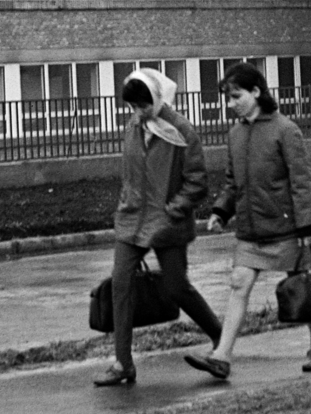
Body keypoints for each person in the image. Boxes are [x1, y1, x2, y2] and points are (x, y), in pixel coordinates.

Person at [186, 62, 311, 380]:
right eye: (228, 98)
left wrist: (307, 227)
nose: (230, 104)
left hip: (289, 228)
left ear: (256, 92)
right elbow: (233, 181)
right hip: (251, 230)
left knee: (304, 286)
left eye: (236, 96)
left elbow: (302, 182)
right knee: (239, 284)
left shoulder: (286, 130)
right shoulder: (235, 134)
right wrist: (222, 211)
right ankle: (221, 356)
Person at [94, 70, 221, 388]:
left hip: (167, 222)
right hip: (132, 219)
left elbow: (198, 182)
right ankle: (123, 363)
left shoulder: (181, 130)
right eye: (133, 107)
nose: (138, 113)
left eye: (143, 106)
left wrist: (174, 209)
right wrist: (126, 202)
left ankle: (223, 339)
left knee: (176, 288)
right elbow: (129, 174)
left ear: (158, 98)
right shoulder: (133, 127)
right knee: (120, 286)